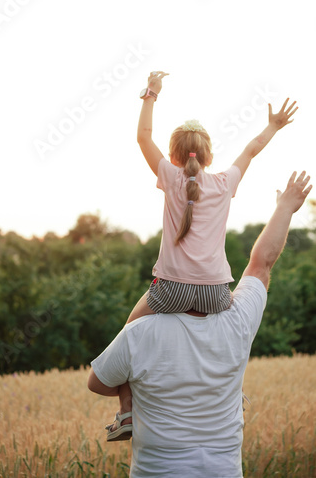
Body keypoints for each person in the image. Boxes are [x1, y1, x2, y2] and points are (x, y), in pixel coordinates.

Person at [103, 71, 298, 441]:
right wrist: (273, 125)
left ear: (175, 156)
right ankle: (233, 393)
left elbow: (142, 137)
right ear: (209, 155)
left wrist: (152, 93)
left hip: (169, 290)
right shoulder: (225, 183)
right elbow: (253, 148)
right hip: (216, 294)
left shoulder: (169, 176)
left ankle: (126, 413)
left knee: (127, 337)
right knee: (234, 340)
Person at [88, 171, 312, 478]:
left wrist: (157, 291)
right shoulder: (238, 321)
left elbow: (97, 381)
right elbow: (262, 263)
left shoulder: (139, 333)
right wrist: (285, 207)